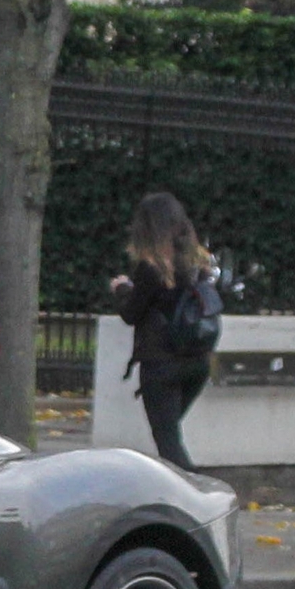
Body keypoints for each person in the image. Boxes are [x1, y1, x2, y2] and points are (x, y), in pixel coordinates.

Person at [109, 192, 213, 471]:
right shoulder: (197, 263)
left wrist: (121, 289)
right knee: (170, 436)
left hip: (162, 364)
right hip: (198, 361)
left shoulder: (151, 267)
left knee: (168, 443)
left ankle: (199, 498)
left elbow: (132, 313)